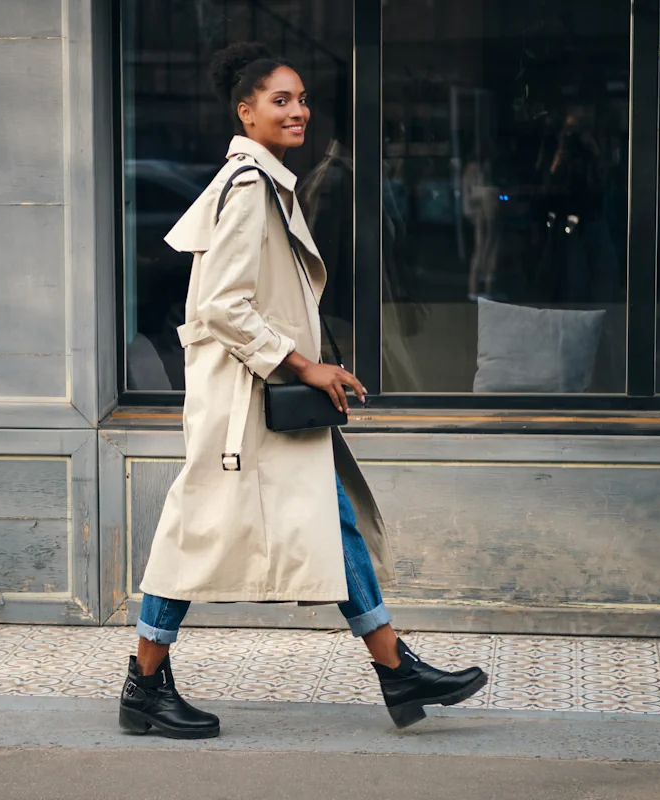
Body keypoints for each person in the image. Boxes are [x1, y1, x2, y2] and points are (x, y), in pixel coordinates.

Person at [119, 42, 487, 739]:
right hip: (243, 411)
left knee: (334, 520)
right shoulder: (250, 188)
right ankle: (143, 684)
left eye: (302, 99)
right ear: (246, 111)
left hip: (259, 407)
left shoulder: (264, 183)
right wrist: (304, 364)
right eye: (281, 100)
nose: (299, 111)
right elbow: (223, 307)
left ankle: (395, 666)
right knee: (189, 540)